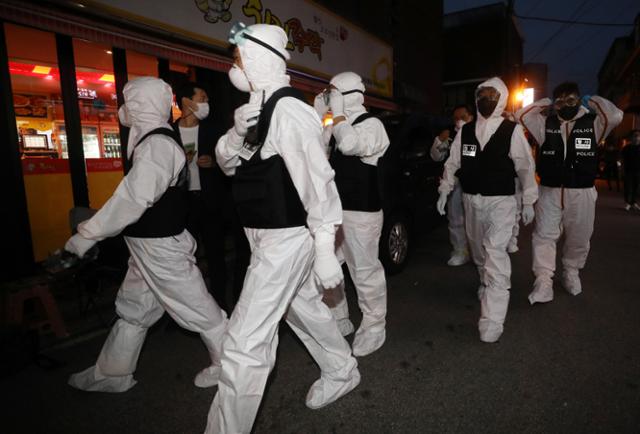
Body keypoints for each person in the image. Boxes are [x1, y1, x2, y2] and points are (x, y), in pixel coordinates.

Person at [205, 23, 360, 434]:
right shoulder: (256, 109)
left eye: (237, 59)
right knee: (303, 308)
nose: (233, 67)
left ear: (255, 58)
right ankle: (342, 369)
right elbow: (227, 164)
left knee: (244, 342)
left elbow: (319, 182)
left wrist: (326, 249)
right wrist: (236, 132)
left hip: (287, 238)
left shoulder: (289, 110)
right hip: (264, 235)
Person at [64, 77, 227, 392]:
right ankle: (112, 373)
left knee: (199, 308)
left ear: (140, 104)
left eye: (129, 101)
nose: (124, 109)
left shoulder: (157, 145)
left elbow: (134, 198)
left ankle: (232, 365)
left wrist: (88, 234)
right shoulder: (152, 138)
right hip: (147, 244)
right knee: (135, 309)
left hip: (159, 246)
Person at [437, 77, 538, 343]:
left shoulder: (511, 131)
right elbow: (452, 162)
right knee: (479, 252)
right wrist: (445, 190)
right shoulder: (466, 132)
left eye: (492, 95)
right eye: (482, 94)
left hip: (501, 202)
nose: (486, 100)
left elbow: (526, 168)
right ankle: (485, 280)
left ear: (502, 98)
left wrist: (528, 201)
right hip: (471, 201)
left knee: (495, 255)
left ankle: (492, 319)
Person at [516, 82, 623, 304]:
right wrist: (546, 102)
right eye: (561, 101)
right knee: (544, 235)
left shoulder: (593, 124)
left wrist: (591, 101)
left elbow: (615, 117)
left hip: (581, 191)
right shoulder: (545, 124)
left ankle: (571, 271)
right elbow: (521, 115)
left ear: (579, 99)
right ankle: (543, 281)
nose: (566, 104)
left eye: (571, 99)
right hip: (550, 191)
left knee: (579, 236)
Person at [313, 71, 390, 356]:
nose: (330, 99)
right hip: (336, 210)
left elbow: (350, 145)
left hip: (362, 212)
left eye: (333, 94)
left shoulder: (372, 125)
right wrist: (321, 119)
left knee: (365, 271)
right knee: (326, 268)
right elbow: (319, 155)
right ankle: (340, 315)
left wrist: (339, 116)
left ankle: (374, 325)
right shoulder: (337, 122)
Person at [173, 82, 241, 311]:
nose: (206, 103)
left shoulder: (213, 130)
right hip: (182, 205)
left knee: (216, 256)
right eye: (202, 98)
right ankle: (188, 309)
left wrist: (213, 163)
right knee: (184, 259)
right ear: (186, 101)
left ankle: (220, 305)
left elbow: (228, 163)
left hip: (210, 201)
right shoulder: (170, 133)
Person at [431, 104, 474, 266]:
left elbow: (470, 158)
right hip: (454, 183)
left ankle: (478, 250)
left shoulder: (477, 132)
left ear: (471, 117)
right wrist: (439, 141)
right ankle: (460, 250)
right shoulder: (449, 134)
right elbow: (436, 156)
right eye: (456, 118)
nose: (458, 121)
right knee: (455, 217)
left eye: (462, 117)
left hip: (473, 182)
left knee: (475, 218)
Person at [621, 130, 640, 211]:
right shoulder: (626, 148)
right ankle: (628, 203)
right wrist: (621, 169)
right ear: (631, 137)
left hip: (638, 171)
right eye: (635, 136)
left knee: (636, 187)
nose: (637, 138)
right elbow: (622, 160)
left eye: (638, 136)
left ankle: (634, 202)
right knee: (628, 186)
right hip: (628, 170)